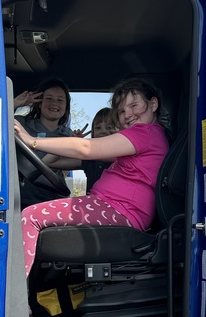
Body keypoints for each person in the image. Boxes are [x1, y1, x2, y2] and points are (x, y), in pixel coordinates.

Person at [14, 78, 169, 277]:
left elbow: (87, 148)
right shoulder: (151, 136)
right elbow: (66, 158)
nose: (127, 115)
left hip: (118, 210)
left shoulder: (144, 132)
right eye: (121, 111)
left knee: (30, 216)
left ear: (153, 104)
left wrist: (31, 140)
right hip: (116, 208)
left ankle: (13, 301)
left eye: (133, 105)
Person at [13, 78, 81, 207]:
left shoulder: (68, 134)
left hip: (53, 199)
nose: (54, 103)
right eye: (49, 98)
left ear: (66, 106)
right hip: (21, 198)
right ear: (39, 103)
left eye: (60, 100)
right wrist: (15, 103)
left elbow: (65, 171)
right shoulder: (22, 123)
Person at [83, 106, 116, 191]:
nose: (103, 131)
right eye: (98, 128)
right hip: (91, 203)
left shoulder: (123, 158)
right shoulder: (89, 159)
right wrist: (73, 141)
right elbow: (50, 161)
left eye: (109, 127)